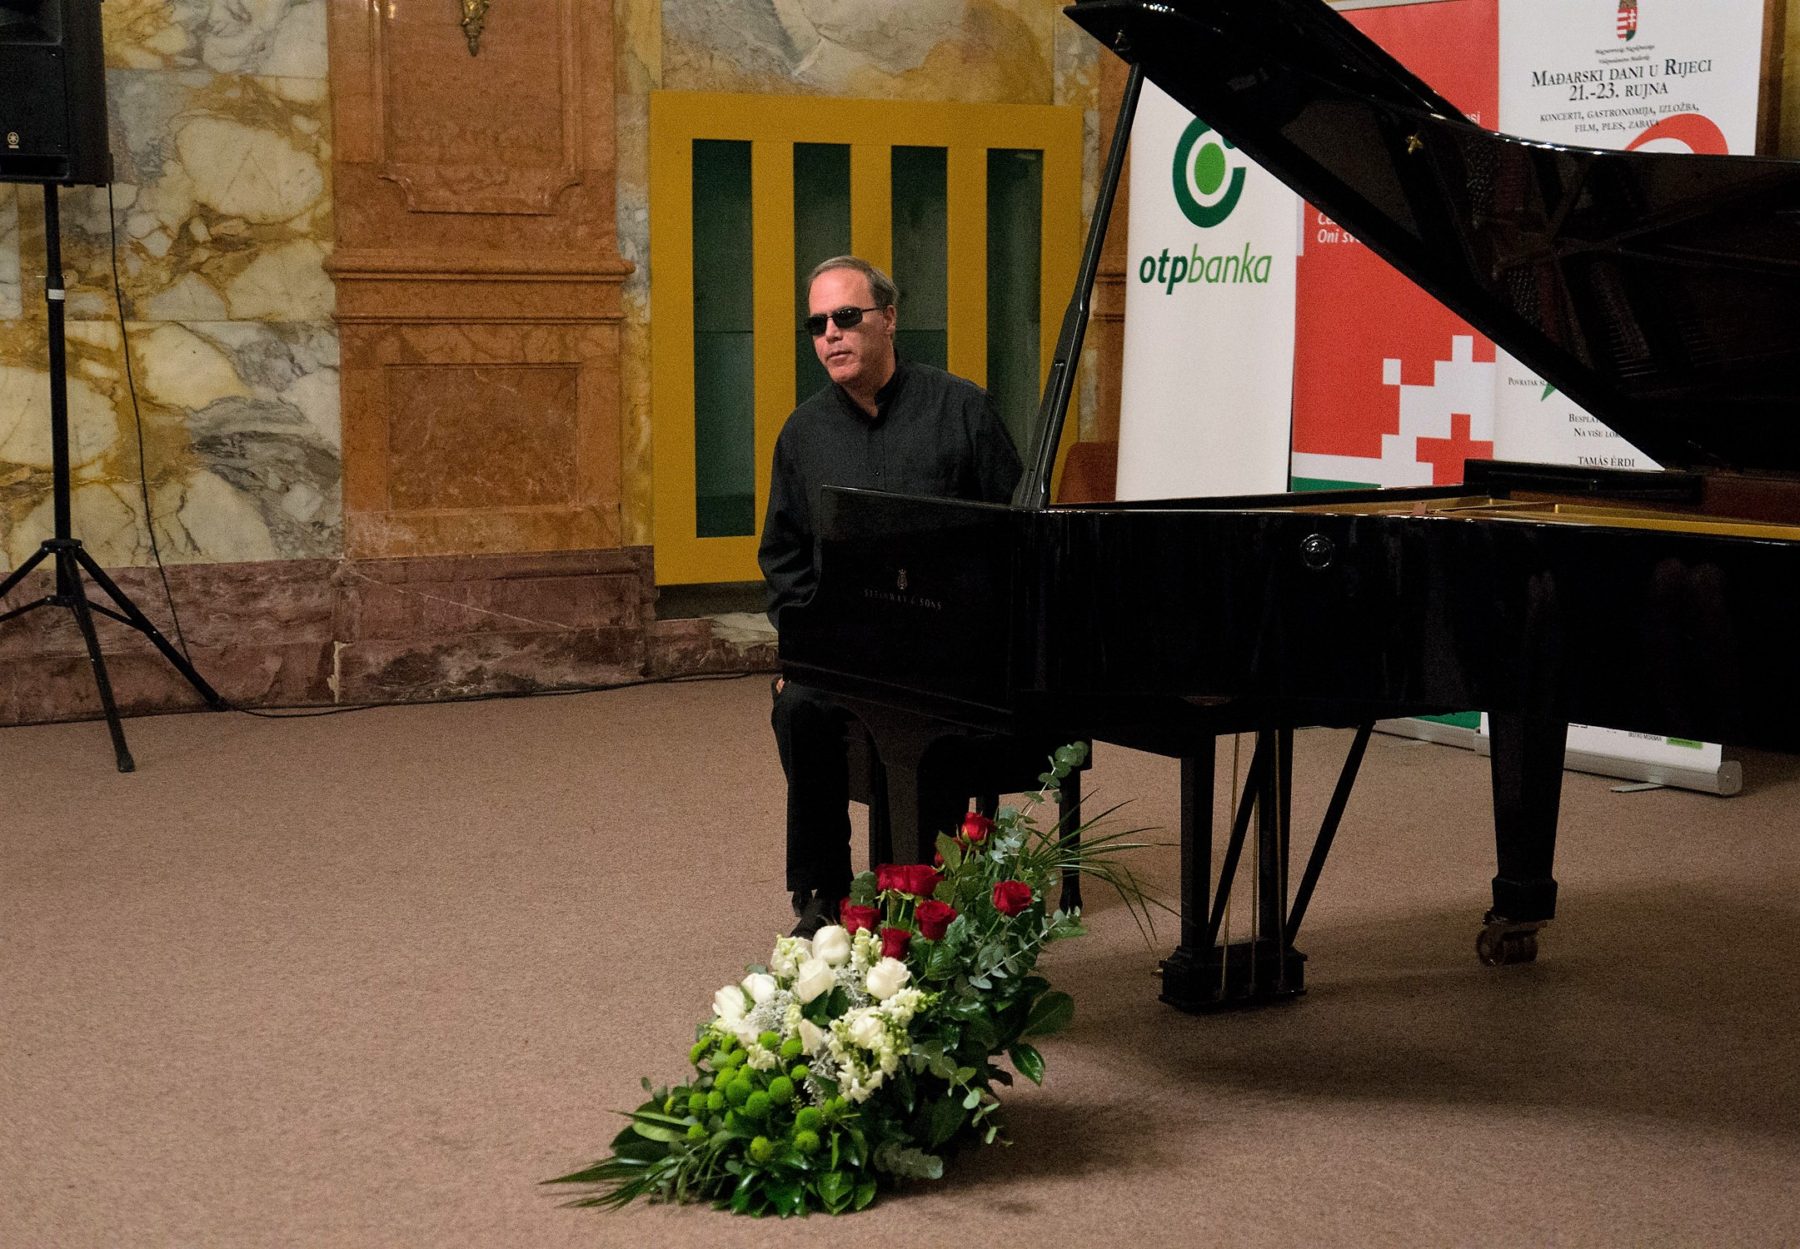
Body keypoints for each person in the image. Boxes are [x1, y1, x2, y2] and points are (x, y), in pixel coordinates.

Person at [760, 256, 1022, 937]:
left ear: (890, 318)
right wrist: (802, 647)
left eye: (847, 317)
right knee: (798, 707)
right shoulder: (803, 433)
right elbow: (783, 556)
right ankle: (822, 892)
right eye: (817, 324)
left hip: (947, 651)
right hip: (847, 653)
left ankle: (922, 898)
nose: (831, 334)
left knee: (924, 721)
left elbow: (1017, 536)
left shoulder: (961, 410)